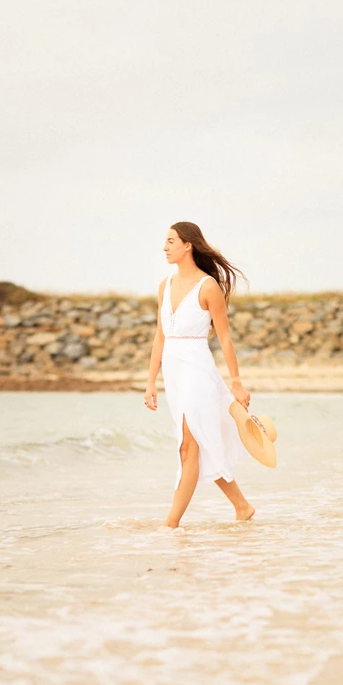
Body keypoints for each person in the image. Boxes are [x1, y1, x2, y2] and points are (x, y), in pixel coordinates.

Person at [144, 221, 255, 528]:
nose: (164, 247)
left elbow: (225, 338)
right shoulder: (164, 286)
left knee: (188, 446)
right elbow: (160, 336)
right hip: (174, 375)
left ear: (187, 245)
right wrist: (151, 381)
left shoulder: (208, 287)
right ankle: (242, 506)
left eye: (170, 241)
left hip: (197, 371)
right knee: (199, 443)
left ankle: (170, 525)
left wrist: (236, 383)